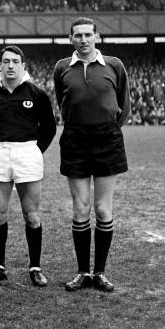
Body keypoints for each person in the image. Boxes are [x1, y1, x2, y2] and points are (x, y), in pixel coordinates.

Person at [52, 17, 130, 293]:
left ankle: (100, 273)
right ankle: (83, 272)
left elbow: (124, 105)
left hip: (107, 140)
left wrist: (106, 129)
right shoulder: (63, 67)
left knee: (102, 208)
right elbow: (63, 102)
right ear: (71, 39)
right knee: (80, 207)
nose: (83, 40)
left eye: (87, 34)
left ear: (97, 36)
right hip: (75, 140)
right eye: (77, 35)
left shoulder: (114, 65)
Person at [0, 45, 57, 287]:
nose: (10, 65)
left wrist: (33, 151)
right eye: (6, 61)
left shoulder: (37, 94)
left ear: (23, 66)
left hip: (27, 153)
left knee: (31, 215)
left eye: (15, 61)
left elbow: (49, 128)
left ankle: (35, 268)